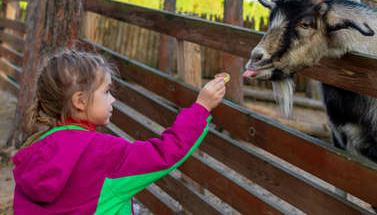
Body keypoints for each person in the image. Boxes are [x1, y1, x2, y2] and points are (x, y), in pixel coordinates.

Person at [12, 50, 226, 214]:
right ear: (80, 101)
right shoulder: (104, 152)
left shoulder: (34, 151)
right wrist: (201, 108)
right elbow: (166, 152)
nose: (112, 99)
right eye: (106, 92)